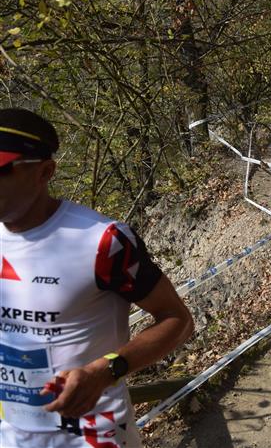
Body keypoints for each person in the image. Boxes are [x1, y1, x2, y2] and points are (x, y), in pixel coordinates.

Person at [0, 108, 194, 447]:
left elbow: (177, 320)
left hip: (92, 436)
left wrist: (104, 371)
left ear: (45, 171)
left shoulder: (103, 240)